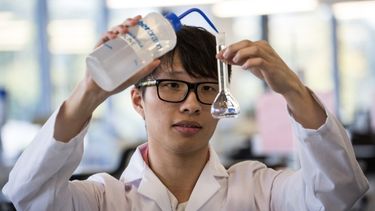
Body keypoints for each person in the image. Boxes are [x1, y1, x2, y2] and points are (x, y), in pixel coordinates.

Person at [2, 15, 369, 211]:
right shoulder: (104, 199)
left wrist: (291, 89)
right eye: (172, 86)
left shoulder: (261, 191)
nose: (192, 103)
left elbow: (337, 193)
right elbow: (29, 195)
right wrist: (91, 91)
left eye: (208, 88)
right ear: (136, 101)